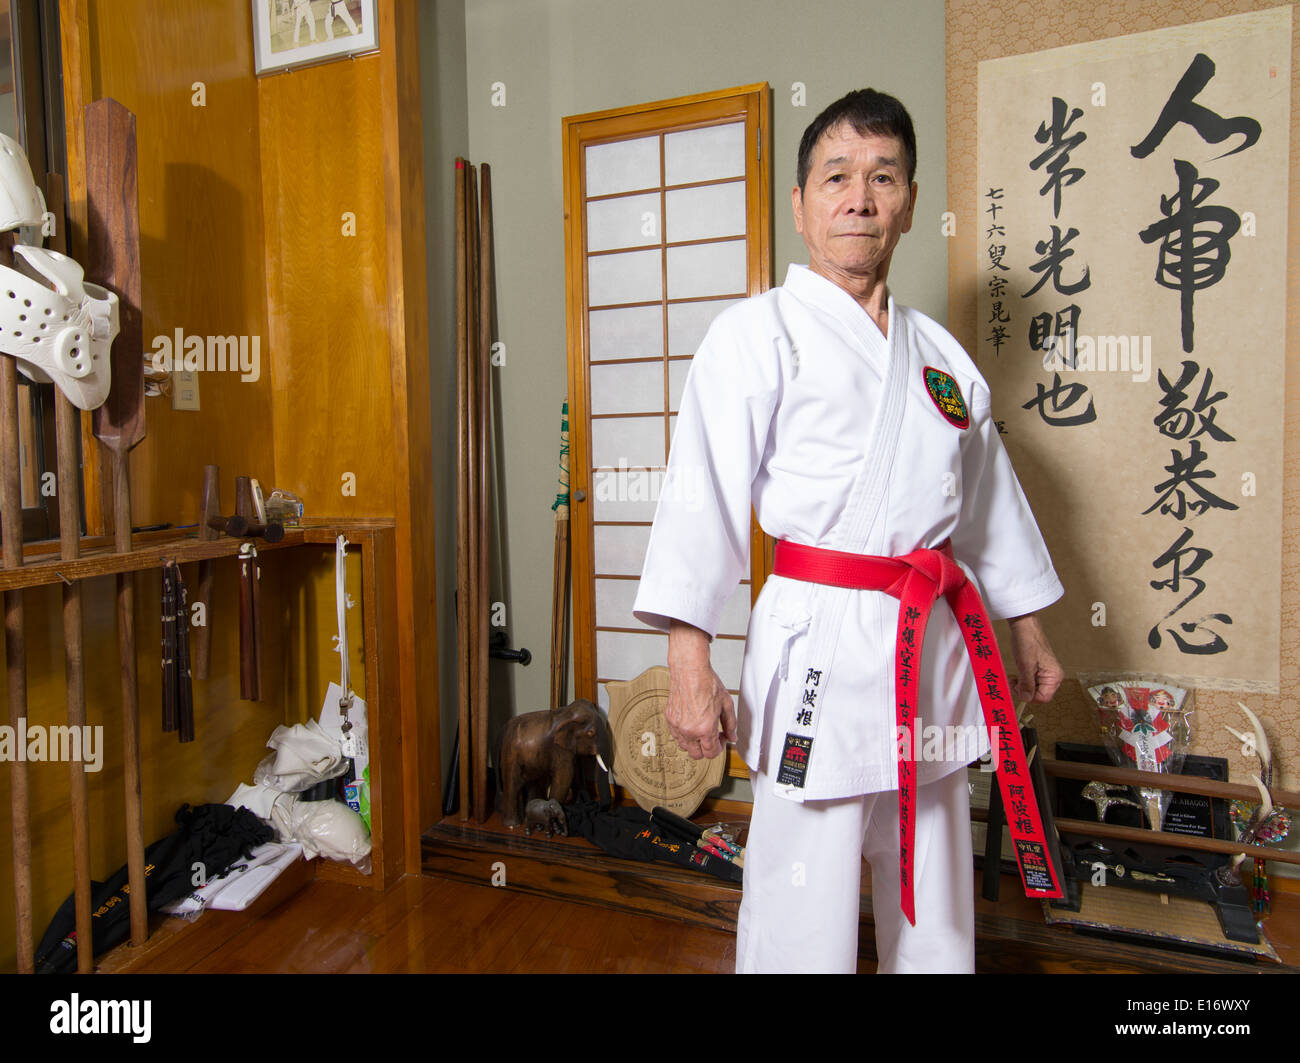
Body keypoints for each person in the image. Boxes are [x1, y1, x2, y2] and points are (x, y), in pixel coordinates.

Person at [632, 88, 1065, 974]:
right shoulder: (753, 336)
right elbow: (698, 499)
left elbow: (983, 505)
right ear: (802, 204)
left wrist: (1028, 625)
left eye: (882, 176)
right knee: (802, 900)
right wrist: (688, 661)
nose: (859, 197)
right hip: (817, 651)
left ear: (907, 200)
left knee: (933, 888)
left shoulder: (944, 361)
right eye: (837, 177)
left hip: (933, 649)